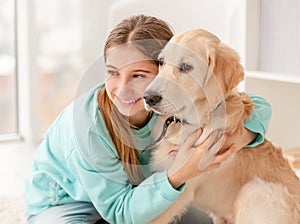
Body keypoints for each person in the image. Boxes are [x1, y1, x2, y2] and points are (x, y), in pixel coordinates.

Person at [25, 14, 272, 224]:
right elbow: (118, 213)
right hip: (69, 204)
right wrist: (181, 172)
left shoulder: (170, 98)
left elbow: (258, 106)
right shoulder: (87, 126)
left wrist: (239, 136)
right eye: (113, 73)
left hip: (139, 193)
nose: (122, 89)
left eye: (139, 75)